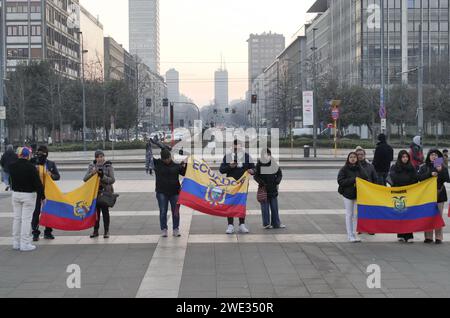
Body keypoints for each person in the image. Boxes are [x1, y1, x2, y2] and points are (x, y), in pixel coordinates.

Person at [9, 147, 44, 252]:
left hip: (15, 194)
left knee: (17, 219)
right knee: (26, 220)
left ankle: (16, 242)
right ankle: (24, 243)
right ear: (28, 155)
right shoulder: (31, 167)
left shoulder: (12, 166)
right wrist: (42, 196)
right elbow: (38, 184)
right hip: (28, 195)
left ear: (19, 155)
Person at [220, 140, 255, 234]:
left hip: (243, 185)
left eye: (238, 147)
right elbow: (221, 170)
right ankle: (230, 225)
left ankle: (242, 224)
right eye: (235, 147)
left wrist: (252, 170)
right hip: (231, 185)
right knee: (230, 203)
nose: (236, 149)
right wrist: (230, 166)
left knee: (241, 203)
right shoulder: (227, 156)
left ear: (241, 147)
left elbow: (254, 168)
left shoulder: (247, 156)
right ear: (232, 147)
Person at [418, 149, 450, 245]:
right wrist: (430, 174)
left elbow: (447, 179)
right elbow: (419, 178)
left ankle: (438, 237)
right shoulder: (424, 167)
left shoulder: (442, 166)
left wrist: (441, 170)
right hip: (427, 195)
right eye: (432, 155)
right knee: (428, 216)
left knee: (438, 216)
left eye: (436, 155)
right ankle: (428, 237)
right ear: (428, 156)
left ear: (438, 157)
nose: (434, 156)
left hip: (439, 194)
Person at [153, 148, 186, 238]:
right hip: (161, 192)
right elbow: (149, 158)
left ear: (170, 157)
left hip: (174, 192)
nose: (167, 161)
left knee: (175, 211)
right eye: (165, 159)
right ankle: (164, 229)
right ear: (162, 159)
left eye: (168, 158)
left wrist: (185, 164)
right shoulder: (157, 164)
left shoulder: (176, 166)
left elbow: (185, 172)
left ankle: (176, 228)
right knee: (163, 211)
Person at [30, 145, 60, 241]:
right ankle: (35, 232)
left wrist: (52, 175)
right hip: (37, 192)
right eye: (38, 153)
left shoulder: (51, 164)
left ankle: (48, 232)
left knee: (48, 212)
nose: (40, 155)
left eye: (42, 153)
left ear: (46, 154)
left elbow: (58, 176)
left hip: (48, 192)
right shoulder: (33, 162)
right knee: (36, 212)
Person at [338, 152, 369, 243]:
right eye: (351, 157)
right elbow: (340, 181)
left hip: (358, 194)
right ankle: (350, 235)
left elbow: (366, 178)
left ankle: (355, 234)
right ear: (348, 158)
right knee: (349, 214)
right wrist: (353, 180)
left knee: (356, 215)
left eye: (354, 157)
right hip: (347, 195)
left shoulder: (360, 168)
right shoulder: (344, 169)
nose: (352, 159)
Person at [389, 150, 419, 243]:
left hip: (409, 193)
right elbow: (392, 178)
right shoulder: (395, 167)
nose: (405, 158)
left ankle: (409, 235)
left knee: (409, 214)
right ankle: (401, 234)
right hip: (398, 194)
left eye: (406, 157)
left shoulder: (411, 167)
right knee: (400, 213)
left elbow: (415, 179)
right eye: (403, 157)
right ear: (399, 158)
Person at [85, 150, 115, 239]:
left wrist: (102, 176)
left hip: (105, 193)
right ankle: (95, 230)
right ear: (95, 158)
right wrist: (92, 173)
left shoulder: (108, 166)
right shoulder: (91, 166)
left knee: (105, 212)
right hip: (94, 193)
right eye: (98, 157)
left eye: (102, 156)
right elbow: (85, 179)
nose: (100, 158)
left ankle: (106, 231)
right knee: (96, 213)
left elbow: (112, 180)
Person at [254, 148, 285, 230]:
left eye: (268, 154)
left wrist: (277, 182)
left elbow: (279, 174)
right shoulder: (259, 164)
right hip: (263, 189)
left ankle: (276, 223)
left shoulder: (273, 162)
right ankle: (266, 223)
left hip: (273, 188)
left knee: (274, 207)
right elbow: (255, 176)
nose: (267, 156)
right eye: (265, 154)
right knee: (265, 207)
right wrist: (261, 183)